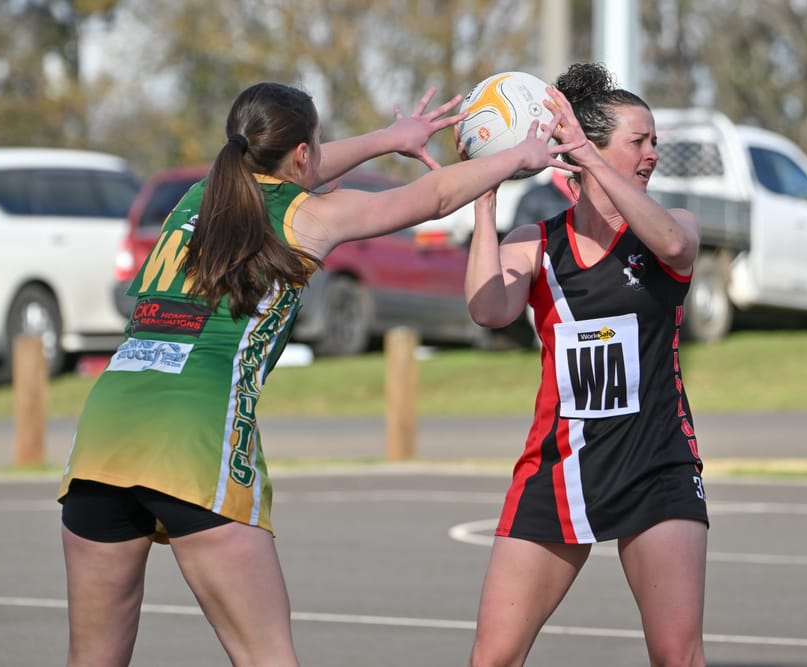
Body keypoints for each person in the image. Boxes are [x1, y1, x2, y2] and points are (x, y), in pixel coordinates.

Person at [56, 80, 578, 667]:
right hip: (191, 437)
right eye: (317, 147)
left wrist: (390, 139)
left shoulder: (197, 198)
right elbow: (430, 200)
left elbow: (304, 162)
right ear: (303, 154)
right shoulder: (308, 218)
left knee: (92, 659)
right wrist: (519, 156)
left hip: (102, 436)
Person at [462, 62, 708, 667]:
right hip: (560, 467)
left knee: (677, 655)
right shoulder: (536, 241)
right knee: (493, 657)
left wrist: (591, 160)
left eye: (655, 141)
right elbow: (490, 310)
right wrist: (484, 201)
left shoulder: (671, 230)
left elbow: (676, 249)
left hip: (657, 464)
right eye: (638, 141)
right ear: (588, 146)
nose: (652, 154)